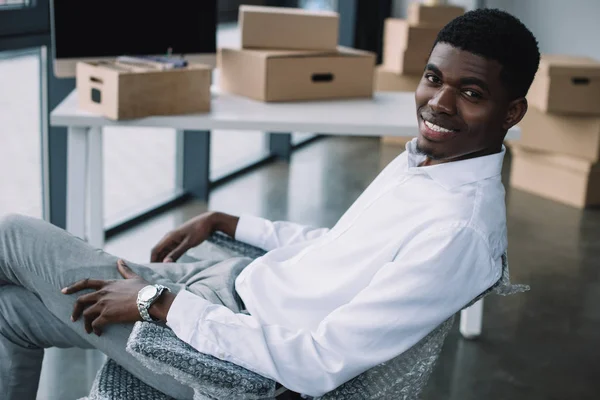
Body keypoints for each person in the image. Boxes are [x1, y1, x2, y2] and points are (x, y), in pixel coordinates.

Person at [0, 8, 540, 400]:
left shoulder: (457, 231)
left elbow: (318, 363)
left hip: (227, 362)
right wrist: (226, 221)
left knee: (12, 236)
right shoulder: (430, 162)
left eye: (471, 93)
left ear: (511, 111)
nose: (439, 103)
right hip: (220, 292)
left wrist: (158, 303)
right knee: (8, 314)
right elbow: (341, 250)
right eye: (433, 78)